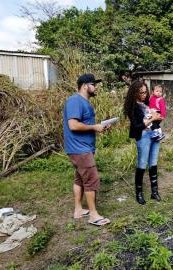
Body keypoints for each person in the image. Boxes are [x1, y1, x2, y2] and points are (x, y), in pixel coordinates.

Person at [63, 73, 111, 226]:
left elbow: (85, 125)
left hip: (84, 147)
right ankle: (93, 215)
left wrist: (100, 127)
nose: (96, 87)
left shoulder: (85, 102)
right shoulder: (75, 101)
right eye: (93, 84)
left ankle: (78, 210)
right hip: (79, 148)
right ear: (85, 86)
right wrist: (94, 127)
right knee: (91, 179)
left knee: (80, 178)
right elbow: (73, 125)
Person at [123, 80, 163, 205]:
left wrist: (157, 118)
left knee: (153, 163)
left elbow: (154, 119)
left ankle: (154, 192)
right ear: (135, 92)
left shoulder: (147, 104)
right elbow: (137, 126)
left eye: (145, 92)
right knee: (142, 164)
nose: (144, 95)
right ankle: (139, 193)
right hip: (144, 136)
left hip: (155, 134)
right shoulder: (132, 106)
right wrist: (153, 118)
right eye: (141, 93)